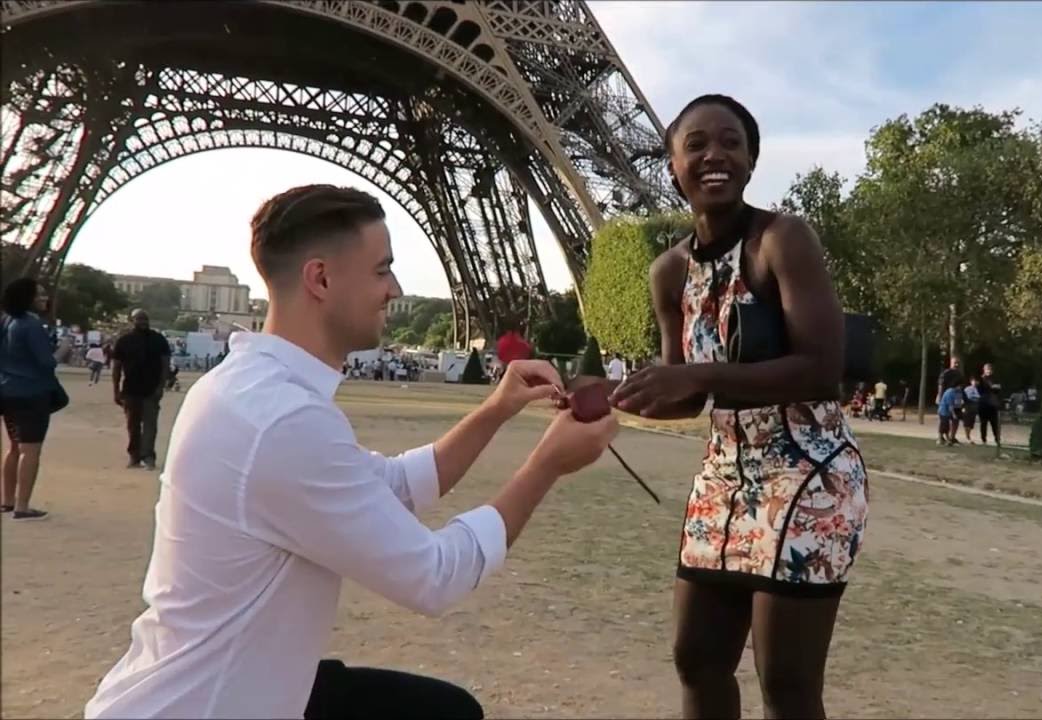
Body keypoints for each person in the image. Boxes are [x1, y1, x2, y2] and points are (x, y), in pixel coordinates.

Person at [83, 185, 618, 719]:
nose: (395, 288)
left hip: (225, 684)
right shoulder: (281, 419)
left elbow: (396, 486)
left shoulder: (251, 389)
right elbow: (434, 576)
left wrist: (497, 409)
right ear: (321, 279)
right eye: (382, 269)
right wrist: (546, 464)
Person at [610, 95, 869, 719]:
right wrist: (614, 404)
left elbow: (821, 369)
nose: (714, 155)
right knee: (696, 659)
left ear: (751, 161)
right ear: (672, 165)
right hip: (723, 477)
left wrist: (694, 375)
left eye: (730, 142)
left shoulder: (783, 239)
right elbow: (688, 392)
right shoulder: (667, 271)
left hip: (809, 474)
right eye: (695, 144)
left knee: (786, 680)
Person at [0, 278, 57, 521]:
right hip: (32, 393)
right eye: (40, 295)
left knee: (13, 447)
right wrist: (63, 350)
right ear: (28, 298)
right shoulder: (32, 325)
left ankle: (8, 500)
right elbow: (46, 363)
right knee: (31, 450)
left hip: (8, 391)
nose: (45, 298)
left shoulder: (7, 321)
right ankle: (23, 506)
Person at [112, 310, 171, 470]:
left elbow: (165, 365)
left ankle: (148, 456)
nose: (143, 321)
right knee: (133, 425)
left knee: (150, 425)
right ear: (132, 320)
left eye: (145, 318)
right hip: (130, 390)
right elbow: (117, 367)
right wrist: (116, 390)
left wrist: (161, 386)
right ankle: (134, 456)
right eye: (139, 319)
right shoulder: (124, 341)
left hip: (151, 390)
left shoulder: (158, 340)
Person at [977, 362, 1002, 445]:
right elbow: (979, 390)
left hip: (992, 404)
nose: (989, 371)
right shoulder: (981, 379)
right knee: (983, 423)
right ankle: (983, 439)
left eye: (990, 369)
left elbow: (998, 389)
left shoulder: (995, 379)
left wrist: (994, 387)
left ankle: (997, 439)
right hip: (983, 404)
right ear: (984, 370)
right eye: (987, 369)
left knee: (994, 423)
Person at [938, 378, 963, 446]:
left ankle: (948, 440)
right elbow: (950, 405)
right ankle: (940, 439)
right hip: (943, 411)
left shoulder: (955, 392)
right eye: (960, 386)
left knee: (946, 426)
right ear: (957, 385)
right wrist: (953, 414)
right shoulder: (950, 392)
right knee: (944, 425)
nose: (961, 387)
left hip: (947, 412)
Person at [961, 376, 980, 444]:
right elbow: (966, 398)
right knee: (967, 422)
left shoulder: (979, 389)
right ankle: (967, 437)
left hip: (974, 408)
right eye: (973, 381)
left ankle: (968, 436)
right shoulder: (967, 389)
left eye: (976, 381)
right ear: (971, 381)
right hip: (968, 406)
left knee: (971, 423)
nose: (975, 382)